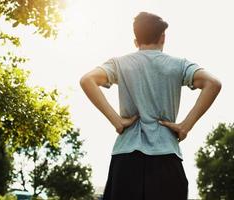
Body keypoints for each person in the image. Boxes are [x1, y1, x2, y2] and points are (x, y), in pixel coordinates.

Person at [80, 12, 221, 200]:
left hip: (126, 156)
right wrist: (185, 126)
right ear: (163, 37)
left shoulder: (119, 64)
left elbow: (87, 79)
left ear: (135, 40)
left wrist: (117, 121)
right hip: (166, 155)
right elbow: (214, 84)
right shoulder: (179, 65)